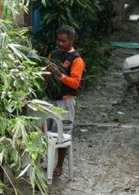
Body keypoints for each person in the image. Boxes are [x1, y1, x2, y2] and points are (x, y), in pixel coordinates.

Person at [45, 25, 84, 178]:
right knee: (45, 133)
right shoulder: (53, 54)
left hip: (65, 102)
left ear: (71, 41)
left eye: (63, 41)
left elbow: (75, 83)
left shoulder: (77, 59)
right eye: (58, 40)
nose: (60, 43)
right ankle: (45, 162)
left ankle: (59, 166)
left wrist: (60, 76)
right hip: (50, 100)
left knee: (62, 135)